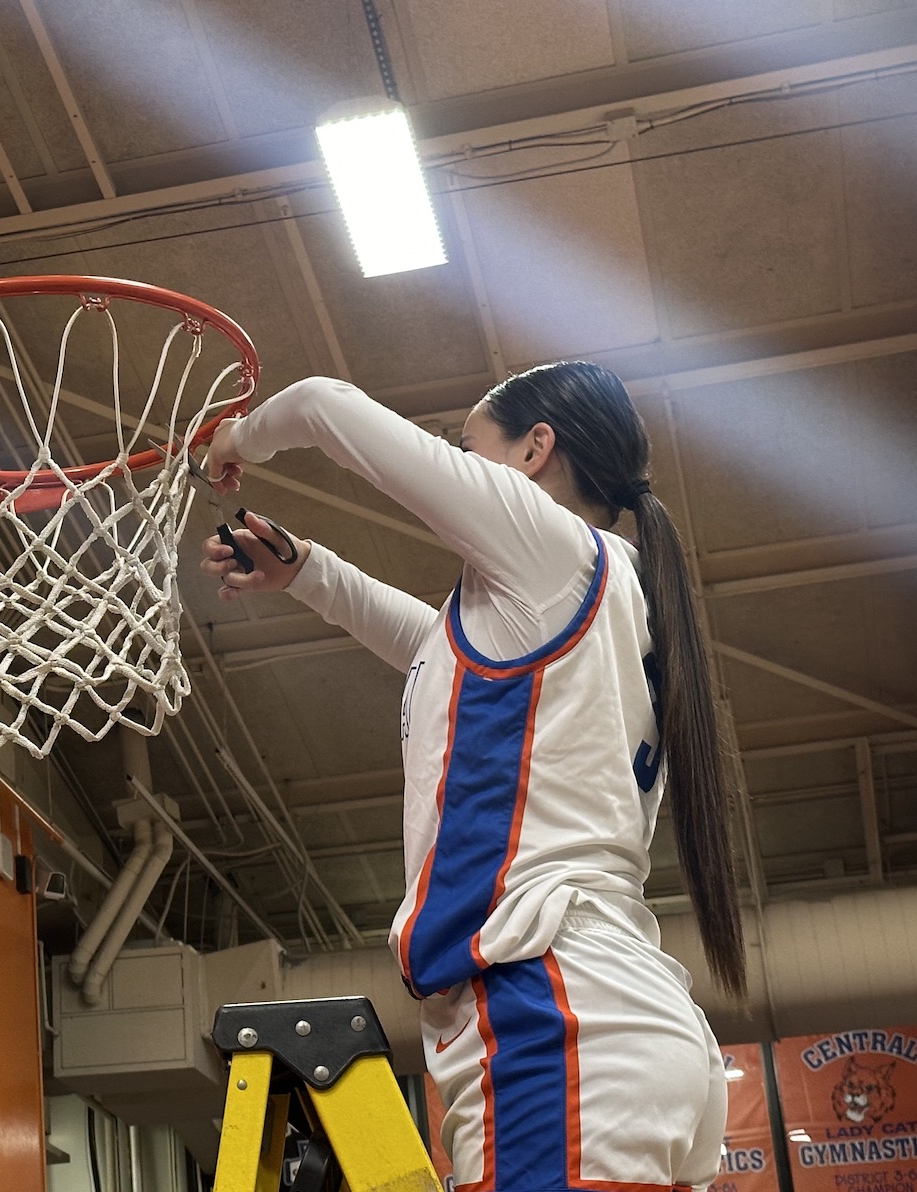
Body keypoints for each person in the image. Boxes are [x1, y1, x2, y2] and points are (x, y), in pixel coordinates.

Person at [200, 362, 740, 1192]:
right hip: (609, 1020)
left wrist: (232, 441)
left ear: (535, 451)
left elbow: (321, 403)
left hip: (554, 1019)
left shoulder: (556, 552)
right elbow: (431, 651)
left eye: (468, 446)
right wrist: (307, 572)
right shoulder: (599, 594)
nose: (458, 460)